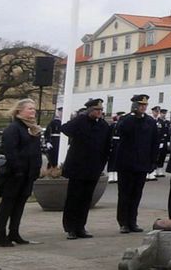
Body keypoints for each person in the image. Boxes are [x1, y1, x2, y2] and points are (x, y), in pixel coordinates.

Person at [61, 98, 112, 240]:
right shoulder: (80, 122)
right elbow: (65, 129)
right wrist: (80, 117)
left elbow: (107, 146)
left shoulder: (103, 126)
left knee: (86, 199)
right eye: (97, 110)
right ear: (89, 110)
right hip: (77, 167)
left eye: (101, 110)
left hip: (93, 168)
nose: (99, 112)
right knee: (74, 198)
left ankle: (81, 226)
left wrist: (102, 164)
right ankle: (70, 227)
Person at [0, 98, 43, 247]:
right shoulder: (14, 128)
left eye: (34, 109)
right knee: (8, 203)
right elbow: (10, 151)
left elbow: (35, 151)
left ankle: (14, 232)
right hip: (14, 173)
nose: (33, 111)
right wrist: (18, 169)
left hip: (28, 173)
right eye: (29, 108)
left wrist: (36, 168)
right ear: (19, 111)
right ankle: (1, 234)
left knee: (20, 203)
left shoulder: (32, 128)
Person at [115, 94, 160, 233]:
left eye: (144, 105)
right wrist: (132, 115)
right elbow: (121, 131)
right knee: (124, 194)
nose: (143, 108)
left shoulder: (150, 122)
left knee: (136, 194)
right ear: (134, 106)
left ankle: (132, 221)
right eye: (140, 105)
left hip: (142, 163)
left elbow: (154, 142)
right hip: (126, 164)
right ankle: (123, 222)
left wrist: (153, 161)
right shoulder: (126, 119)